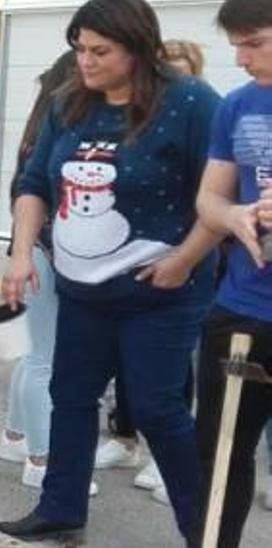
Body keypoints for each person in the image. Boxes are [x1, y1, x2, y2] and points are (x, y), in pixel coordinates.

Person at [0, 0, 223, 543]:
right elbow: (34, 183)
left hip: (160, 291)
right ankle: (61, 508)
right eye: (80, 50)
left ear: (137, 49)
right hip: (82, 291)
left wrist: (184, 259)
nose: (86, 62)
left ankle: (204, 530)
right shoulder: (68, 102)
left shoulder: (190, 103)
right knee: (71, 396)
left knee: (157, 408)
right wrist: (21, 253)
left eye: (100, 51)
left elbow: (221, 193)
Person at [95, 36, 210, 497]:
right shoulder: (133, 119)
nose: (169, 78)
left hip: (184, 266)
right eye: (164, 67)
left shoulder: (201, 119)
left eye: (180, 69)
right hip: (129, 266)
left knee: (174, 368)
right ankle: (124, 439)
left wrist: (184, 256)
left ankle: (169, 460)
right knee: (126, 362)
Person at [193, 0, 272, 545]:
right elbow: (209, 201)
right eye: (236, 46)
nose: (242, 59)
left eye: (255, 43)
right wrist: (235, 216)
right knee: (220, 456)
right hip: (243, 312)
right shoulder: (237, 106)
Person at [0, 51, 91, 493]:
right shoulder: (59, 136)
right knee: (43, 362)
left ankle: (15, 437)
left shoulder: (36, 132)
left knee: (32, 354)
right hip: (47, 255)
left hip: (32, 252)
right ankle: (42, 459)